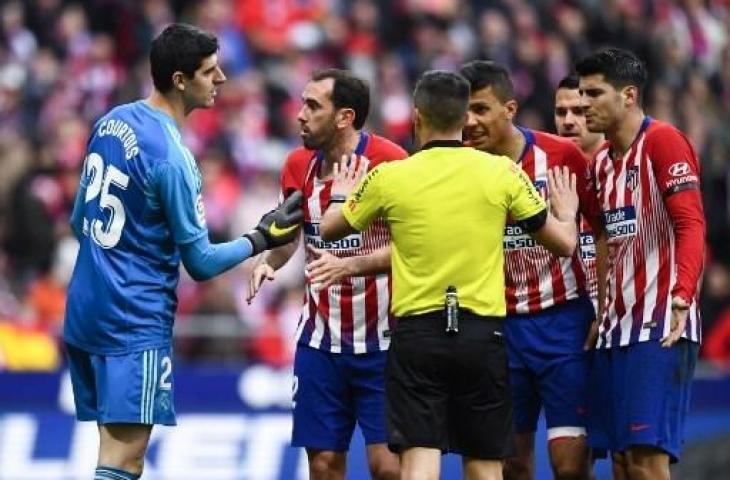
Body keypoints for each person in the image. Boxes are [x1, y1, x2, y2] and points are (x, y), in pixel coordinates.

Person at [63, 24, 303, 480]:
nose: (222, 80)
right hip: (133, 321)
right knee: (124, 460)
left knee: (109, 450)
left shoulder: (111, 121)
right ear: (180, 79)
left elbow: (79, 221)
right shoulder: (172, 158)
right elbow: (201, 262)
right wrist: (261, 238)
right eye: (210, 71)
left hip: (86, 309)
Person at [320, 70, 581, 480]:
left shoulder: (391, 176)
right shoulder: (503, 173)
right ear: (464, 119)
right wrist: (565, 212)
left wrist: (340, 191)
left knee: (420, 460)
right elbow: (564, 243)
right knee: (484, 463)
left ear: (417, 117)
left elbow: (330, 227)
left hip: (417, 334)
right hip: (482, 334)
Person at [246, 68, 407, 480]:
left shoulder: (391, 163)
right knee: (322, 466)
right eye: (302, 103)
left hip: (386, 341)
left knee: (387, 467)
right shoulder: (297, 164)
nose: (300, 114)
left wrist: (352, 264)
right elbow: (290, 235)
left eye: (313, 105)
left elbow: (414, 246)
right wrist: (270, 262)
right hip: (319, 339)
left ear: (344, 117)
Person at [458, 60, 602, 480]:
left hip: (564, 323)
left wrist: (604, 304)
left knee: (570, 465)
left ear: (510, 109)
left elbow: (602, 233)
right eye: (463, 111)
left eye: (481, 110)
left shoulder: (562, 157)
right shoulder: (460, 165)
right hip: (499, 328)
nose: (470, 122)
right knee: (512, 464)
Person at [576, 48, 705, 480]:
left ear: (629, 95)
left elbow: (690, 224)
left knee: (647, 460)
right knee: (621, 461)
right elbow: (600, 237)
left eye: (595, 94)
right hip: (615, 326)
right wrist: (600, 307)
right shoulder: (597, 168)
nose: (583, 105)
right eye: (581, 94)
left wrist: (683, 294)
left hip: (660, 323)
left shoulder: (664, 141)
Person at [554, 73, 606, 313]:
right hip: (567, 319)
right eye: (561, 112)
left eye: (578, 111)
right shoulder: (544, 175)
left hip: (622, 316)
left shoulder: (624, 169)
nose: (568, 121)